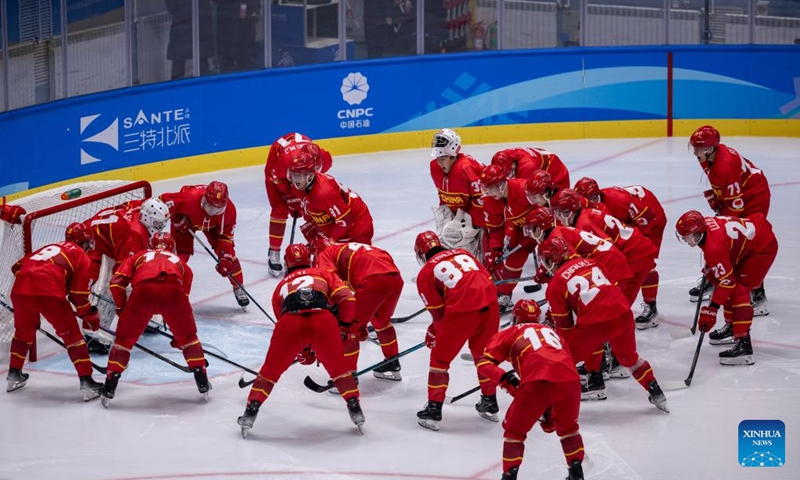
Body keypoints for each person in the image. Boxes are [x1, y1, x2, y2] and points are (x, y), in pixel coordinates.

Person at [236, 244, 364, 437]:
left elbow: (286, 324)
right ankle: (355, 408)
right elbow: (348, 299)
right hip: (323, 321)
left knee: (269, 372)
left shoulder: (280, 287)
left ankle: (250, 411)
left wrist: (304, 350)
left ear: (287, 264)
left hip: (290, 323)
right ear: (309, 260)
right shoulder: (323, 273)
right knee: (340, 371)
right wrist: (345, 327)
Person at [537, 236, 668, 412]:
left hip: (594, 323)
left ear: (551, 260)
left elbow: (565, 328)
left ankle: (547, 402)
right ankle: (655, 389)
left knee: (563, 358)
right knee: (630, 359)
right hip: (623, 314)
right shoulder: (592, 263)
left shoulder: (555, 284)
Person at [477, 299, 584, 480]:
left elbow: (483, 363)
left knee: (514, 432)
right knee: (569, 430)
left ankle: (509, 475)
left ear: (515, 317)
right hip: (571, 381)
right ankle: (576, 472)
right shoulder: (553, 332)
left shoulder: (508, 332)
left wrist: (506, 381)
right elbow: (561, 364)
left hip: (537, 381)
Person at [101, 232, 210, 407]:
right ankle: (201, 377)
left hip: (142, 294)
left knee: (123, 342)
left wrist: (123, 307)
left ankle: (110, 384)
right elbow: (184, 299)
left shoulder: (139, 256)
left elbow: (115, 284)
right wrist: (180, 335)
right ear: (172, 247)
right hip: (174, 293)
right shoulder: (181, 263)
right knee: (189, 339)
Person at [414, 230, 500, 431]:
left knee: (439, 361)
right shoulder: (464, 253)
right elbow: (485, 276)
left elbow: (439, 314)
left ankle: (434, 409)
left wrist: (435, 331)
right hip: (491, 304)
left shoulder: (426, 273)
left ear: (420, 253)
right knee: (485, 356)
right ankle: (490, 402)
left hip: (462, 311)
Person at [6, 222, 102, 401]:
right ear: (85, 242)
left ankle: (14, 374)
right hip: (48, 292)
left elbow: (17, 267)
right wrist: (89, 316)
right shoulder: (81, 255)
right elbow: (79, 297)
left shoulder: (51, 245)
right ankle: (88, 383)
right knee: (73, 338)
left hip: (20, 290)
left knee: (23, 333)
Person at [675, 210, 777, 365]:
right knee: (723, 282)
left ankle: (744, 344)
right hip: (748, 242)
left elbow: (727, 281)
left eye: (686, 236)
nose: (684, 239)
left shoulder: (714, 249)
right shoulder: (705, 227)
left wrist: (711, 310)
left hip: (761, 247)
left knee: (739, 290)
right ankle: (731, 327)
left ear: (698, 234)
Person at [688, 125, 771, 311]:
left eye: (700, 149)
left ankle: (757, 294)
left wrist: (720, 223)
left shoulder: (725, 166)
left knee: (746, 243)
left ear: (711, 148)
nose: (696, 152)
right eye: (695, 148)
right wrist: (718, 200)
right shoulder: (709, 156)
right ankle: (714, 278)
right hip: (740, 195)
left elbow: (736, 205)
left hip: (754, 198)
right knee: (718, 239)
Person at [549, 189, 658, 321]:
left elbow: (608, 250)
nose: (557, 217)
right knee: (616, 299)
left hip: (636, 254)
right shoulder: (585, 215)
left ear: (567, 211)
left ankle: (613, 334)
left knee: (619, 302)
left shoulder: (584, 224)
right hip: (634, 250)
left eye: (557, 212)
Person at [574, 178, 666, 329]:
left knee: (646, 261)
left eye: (591, 199)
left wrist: (634, 238)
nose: (588, 203)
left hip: (652, 216)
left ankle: (651, 306)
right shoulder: (592, 208)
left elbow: (647, 218)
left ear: (597, 195)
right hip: (631, 221)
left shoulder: (618, 199)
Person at [83, 197, 171, 352]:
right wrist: (121, 306)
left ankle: (145, 313)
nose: (160, 227)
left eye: (162, 223)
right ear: (146, 217)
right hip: (93, 243)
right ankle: (95, 333)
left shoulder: (142, 213)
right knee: (109, 287)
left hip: (112, 240)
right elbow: (120, 276)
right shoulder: (134, 234)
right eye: (157, 223)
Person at [312, 238, 404, 381]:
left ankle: (348, 377)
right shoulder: (346, 249)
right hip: (395, 278)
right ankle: (392, 362)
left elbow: (329, 283)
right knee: (381, 322)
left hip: (373, 280)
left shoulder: (325, 253)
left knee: (348, 329)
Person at [160, 181, 249, 307]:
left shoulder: (229, 211)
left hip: (213, 226)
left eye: (218, 209)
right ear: (204, 200)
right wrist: (177, 219)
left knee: (230, 259)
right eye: (211, 207)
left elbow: (226, 238)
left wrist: (225, 257)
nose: (212, 211)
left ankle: (239, 287)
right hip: (187, 220)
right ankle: (166, 289)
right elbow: (161, 202)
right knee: (179, 257)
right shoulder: (189, 199)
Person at [264, 133, 333, 276]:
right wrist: (291, 196)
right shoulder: (286, 161)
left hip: (295, 168)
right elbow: (276, 178)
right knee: (279, 208)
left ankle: (320, 246)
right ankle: (274, 251)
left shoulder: (325, 158)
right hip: (277, 172)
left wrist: (301, 198)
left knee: (314, 203)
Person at [479, 165, 537, 311]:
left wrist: (538, 231)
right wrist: (495, 249)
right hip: (522, 229)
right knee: (513, 261)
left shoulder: (522, 189)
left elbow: (545, 206)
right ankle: (505, 294)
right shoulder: (491, 201)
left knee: (553, 256)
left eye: (491, 188)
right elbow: (496, 228)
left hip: (542, 225)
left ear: (501, 183)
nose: (489, 192)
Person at [287, 149, 374, 245]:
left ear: (310, 176)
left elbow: (345, 221)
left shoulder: (324, 193)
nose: (295, 180)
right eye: (293, 175)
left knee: (340, 257)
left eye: (299, 176)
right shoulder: (299, 186)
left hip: (357, 228)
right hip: (337, 220)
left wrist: (328, 240)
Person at [429, 128, 485, 257]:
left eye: (443, 158)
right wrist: (447, 213)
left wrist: (472, 225)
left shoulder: (466, 169)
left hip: (478, 216)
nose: (439, 162)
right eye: (438, 157)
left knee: (479, 256)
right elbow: (443, 193)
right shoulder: (435, 167)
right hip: (459, 213)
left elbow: (481, 200)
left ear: (453, 155)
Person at [166, 0, 214, 79]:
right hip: (188, 23)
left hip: (190, 23)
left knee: (198, 58)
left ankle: (176, 87)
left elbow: (171, 6)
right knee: (181, 60)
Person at [491, 147, 570, 188]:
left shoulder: (527, 167)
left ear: (513, 166)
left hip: (557, 175)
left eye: (508, 173)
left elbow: (522, 192)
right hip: (544, 161)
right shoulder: (505, 155)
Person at [216, 0, 260, 73]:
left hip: (245, 29)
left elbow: (254, 6)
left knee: (245, 59)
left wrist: (253, 12)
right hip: (227, 27)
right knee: (227, 60)